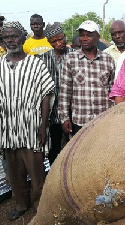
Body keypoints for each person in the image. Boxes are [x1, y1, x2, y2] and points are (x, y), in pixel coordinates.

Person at [0, 21, 55, 220]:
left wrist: (43, 125)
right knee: (14, 173)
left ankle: (40, 206)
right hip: (7, 129)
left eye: (14, 36)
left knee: (37, 171)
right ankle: (21, 204)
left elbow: (46, 95)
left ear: (23, 37)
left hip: (31, 127)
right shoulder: (0, 65)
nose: (10, 40)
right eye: (6, 37)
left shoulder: (36, 64)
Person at [58, 20, 115, 135]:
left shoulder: (108, 59)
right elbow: (65, 91)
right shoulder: (71, 59)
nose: (84, 38)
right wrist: (64, 118)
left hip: (103, 120)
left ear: (97, 37)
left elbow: (112, 91)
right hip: (79, 121)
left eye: (89, 35)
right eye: (82, 35)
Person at [39, 22, 74, 165]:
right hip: (53, 110)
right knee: (55, 147)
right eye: (54, 41)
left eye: (61, 39)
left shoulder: (75, 55)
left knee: (73, 145)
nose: (59, 43)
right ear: (49, 42)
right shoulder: (42, 59)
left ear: (65, 37)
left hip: (72, 108)